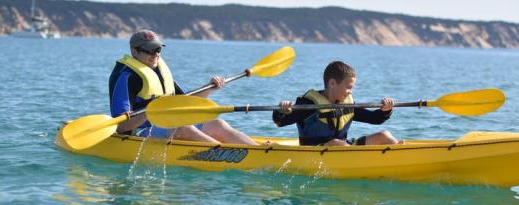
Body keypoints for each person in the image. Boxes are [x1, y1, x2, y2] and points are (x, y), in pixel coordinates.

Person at [109, 29, 257, 145]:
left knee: (217, 124)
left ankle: (258, 151)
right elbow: (122, 126)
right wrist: (152, 110)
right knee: (182, 128)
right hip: (138, 133)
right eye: (149, 50)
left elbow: (184, 100)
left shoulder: (157, 71)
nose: (155, 55)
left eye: (158, 50)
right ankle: (234, 155)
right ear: (134, 51)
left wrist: (210, 88)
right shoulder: (126, 77)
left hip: (168, 126)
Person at [272, 61, 403, 146]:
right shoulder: (308, 104)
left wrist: (385, 111)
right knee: (336, 143)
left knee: (384, 135)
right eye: (349, 87)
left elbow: (374, 118)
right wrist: (281, 111)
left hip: (344, 147)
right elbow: (281, 122)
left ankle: (400, 155)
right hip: (316, 152)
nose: (350, 92)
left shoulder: (347, 104)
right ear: (332, 83)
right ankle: (362, 161)